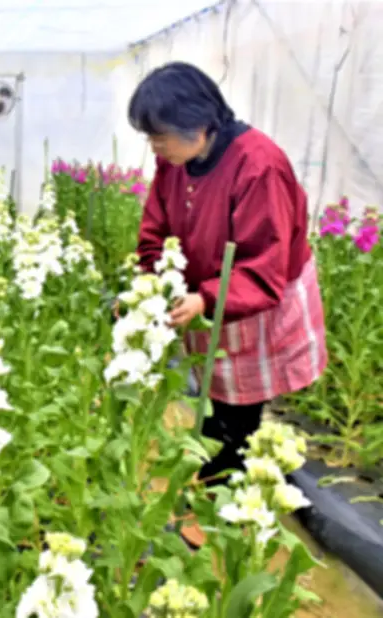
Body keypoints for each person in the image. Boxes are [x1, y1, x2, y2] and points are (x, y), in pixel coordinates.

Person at [125, 63, 327, 494]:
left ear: (197, 125)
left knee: (242, 399)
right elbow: (156, 225)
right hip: (209, 292)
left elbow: (264, 263)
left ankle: (230, 479)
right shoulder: (175, 161)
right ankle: (219, 450)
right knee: (215, 383)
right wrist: (153, 277)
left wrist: (207, 298)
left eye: (159, 136)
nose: (154, 147)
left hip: (251, 297)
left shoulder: (259, 165)